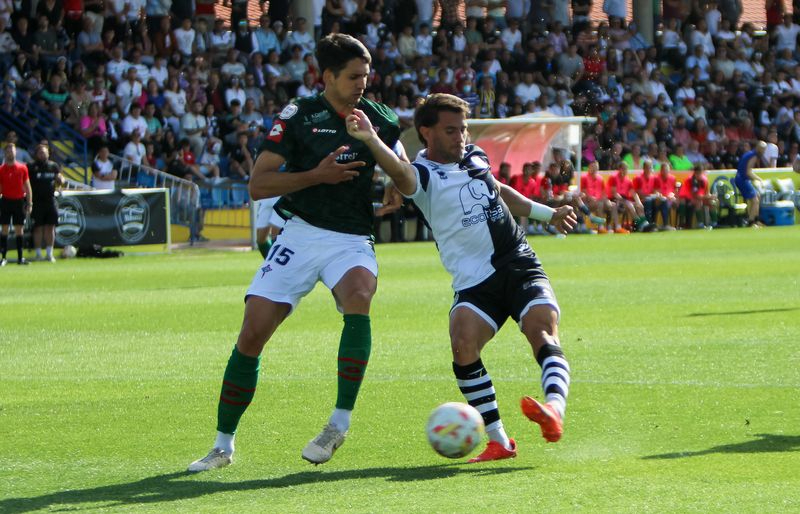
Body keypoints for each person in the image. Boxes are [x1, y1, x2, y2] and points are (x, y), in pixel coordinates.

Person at [188, 33, 403, 472]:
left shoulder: (379, 118)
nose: (363, 83)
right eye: (353, 76)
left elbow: (400, 162)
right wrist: (317, 176)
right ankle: (222, 446)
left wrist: (398, 181)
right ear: (327, 77)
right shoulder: (300, 116)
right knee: (252, 335)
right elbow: (259, 184)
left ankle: (338, 424)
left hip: (350, 238)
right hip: (300, 235)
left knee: (359, 296)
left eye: (366, 75)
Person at [346, 93, 577, 462]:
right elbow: (400, 172)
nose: (461, 137)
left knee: (542, 332)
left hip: (518, 263)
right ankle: (499, 440)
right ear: (426, 132)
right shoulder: (421, 176)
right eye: (451, 130)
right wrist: (372, 139)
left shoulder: (475, 155)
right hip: (474, 282)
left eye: (464, 128)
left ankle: (554, 410)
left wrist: (547, 214)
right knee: (463, 344)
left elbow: (499, 192)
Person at [28, 144, 64, 262]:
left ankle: (49, 253)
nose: (42, 155)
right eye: (40, 153)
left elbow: (59, 178)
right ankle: (38, 253)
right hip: (37, 201)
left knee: (50, 227)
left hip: (50, 201)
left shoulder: (53, 166)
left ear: (48, 153)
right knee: (38, 228)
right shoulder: (31, 167)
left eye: (44, 152)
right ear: (36, 154)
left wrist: (61, 180)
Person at [0, 143, 33, 266]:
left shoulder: (22, 168)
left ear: (15, 152)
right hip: (6, 201)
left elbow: (27, 187)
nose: (10, 153)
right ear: (5, 153)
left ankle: (20, 258)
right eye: (8, 151)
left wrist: (29, 203)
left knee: (19, 229)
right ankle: (3, 257)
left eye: (12, 151)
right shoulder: (1, 170)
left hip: (18, 201)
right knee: (4, 229)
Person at [734, 141, 767, 228]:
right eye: (763, 149)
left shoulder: (749, 153)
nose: (764, 151)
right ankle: (751, 222)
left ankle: (756, 220)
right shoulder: (754, 155)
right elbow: (748, 172)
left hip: (741, 179)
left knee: (757, 197)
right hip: (742, 180)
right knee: (755, 200)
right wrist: (759, 179)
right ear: (759, 148)